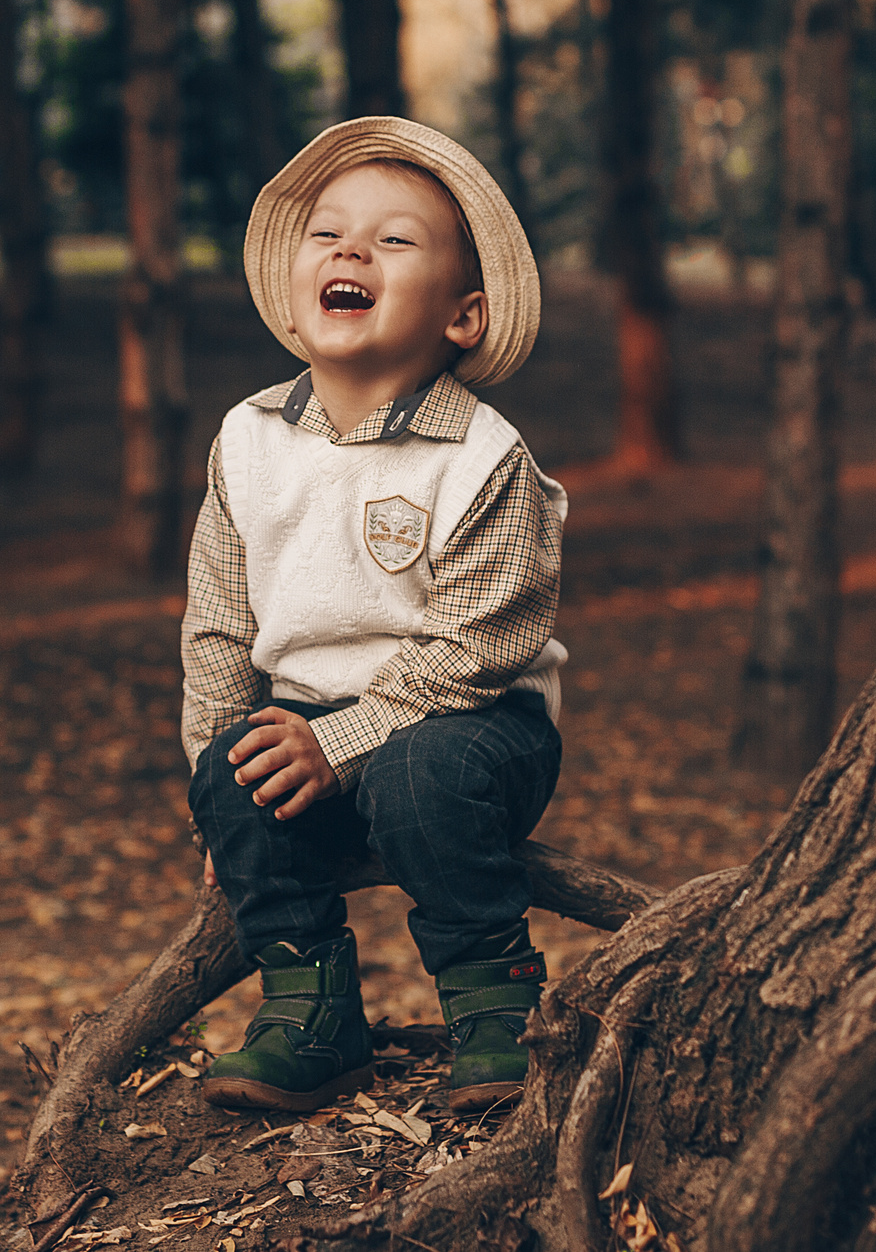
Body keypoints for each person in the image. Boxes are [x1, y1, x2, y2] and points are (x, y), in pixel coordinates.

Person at [181, 115, 568, 1115]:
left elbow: (480, 645)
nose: (351, 249)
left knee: (420, 773)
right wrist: (214, 773)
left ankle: (497, 1004)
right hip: (305, 722)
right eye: (329, 233)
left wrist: (345, 741)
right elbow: (220, 624)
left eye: (394, 241)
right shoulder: (250, 437)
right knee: (236, 767)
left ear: (463, 317)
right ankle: (310, 1011)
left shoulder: (481, 456)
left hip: (473, 727)